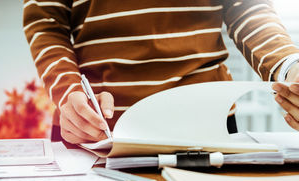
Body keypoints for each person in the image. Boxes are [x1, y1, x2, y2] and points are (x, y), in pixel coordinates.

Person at [23, 0, 299, 144]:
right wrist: (68, 91)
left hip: (204, 125)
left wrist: (290, 65)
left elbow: (247, 7)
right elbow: (46, 21)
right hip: (93, 129)